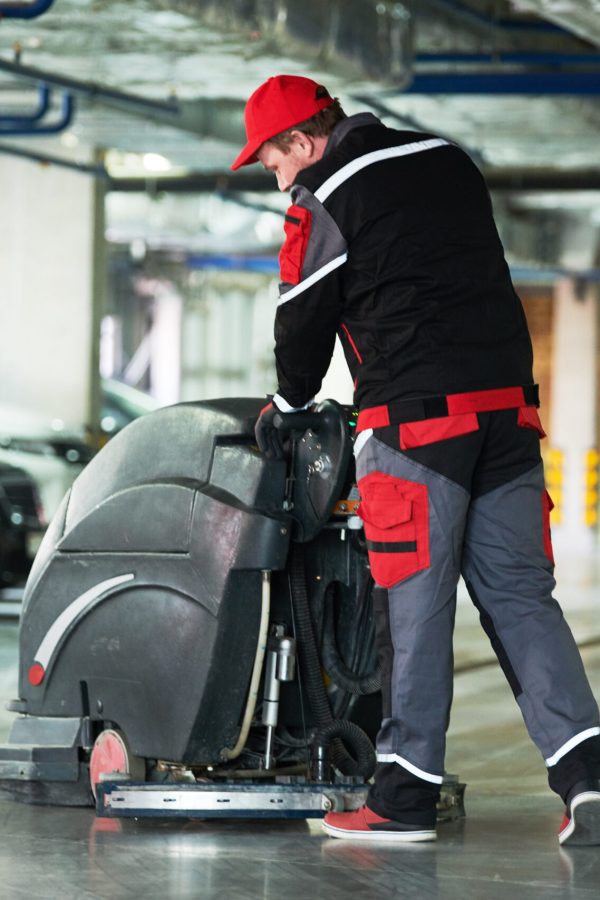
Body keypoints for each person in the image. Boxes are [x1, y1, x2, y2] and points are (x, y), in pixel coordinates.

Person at [230, 74, 600, 845]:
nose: (278, 179)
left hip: (416, 426)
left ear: (302, 141)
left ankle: (401, 801)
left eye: (272, 163)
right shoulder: (446, 157)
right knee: (523, 600)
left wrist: (290, 405)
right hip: (508, 415)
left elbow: (303, 321)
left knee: (414, 609)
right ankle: (589, 782)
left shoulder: (324, 194)